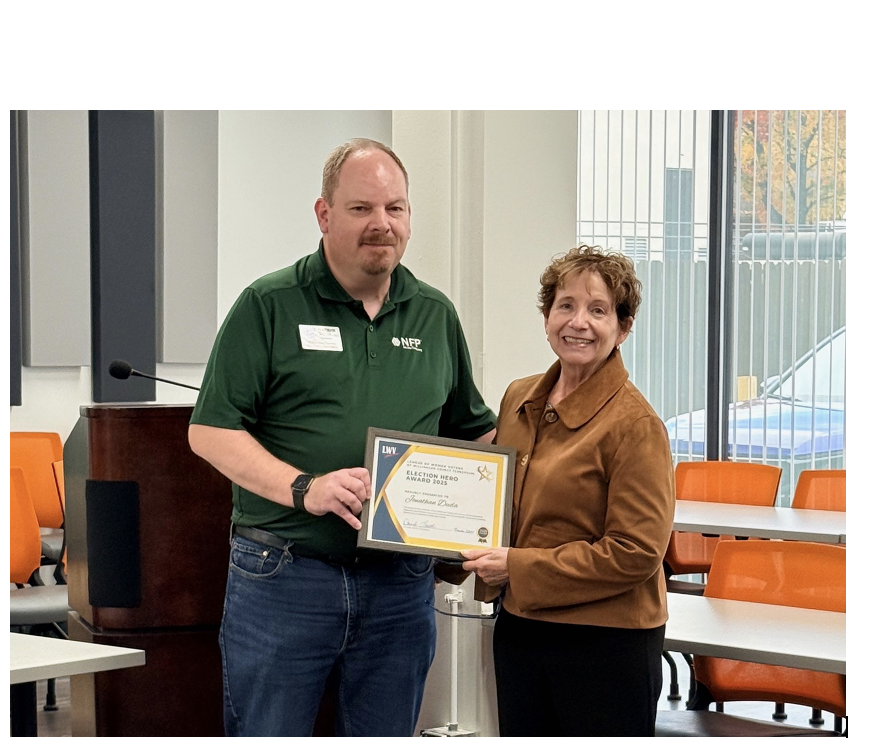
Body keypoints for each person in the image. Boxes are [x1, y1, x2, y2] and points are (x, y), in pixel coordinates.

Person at [188, 138, 496, 737]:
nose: (382, 224)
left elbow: (474, 432)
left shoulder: (435, 315)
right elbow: (211, 430)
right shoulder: (268, 305)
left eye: (396, 209)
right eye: (362, 209)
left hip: (400, 586)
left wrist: (469, 516)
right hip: (285, 575)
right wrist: (306, 488)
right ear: (324, 215)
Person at [461, 245, 675, 737]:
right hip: (521, 627)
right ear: (546, 315)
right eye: (566, 305)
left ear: (623, 328)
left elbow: (637, 553)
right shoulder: (519, 396)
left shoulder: (637, 426)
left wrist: (516, 566)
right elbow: (502, 509)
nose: (578, 322)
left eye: (598, 310)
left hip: (605, 643)